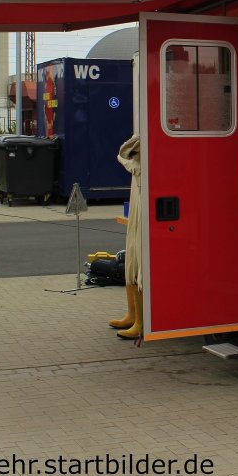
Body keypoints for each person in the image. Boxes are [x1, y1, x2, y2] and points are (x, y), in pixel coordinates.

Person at [110, 135, 143, 339]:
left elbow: (124, 150)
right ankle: (132, 315)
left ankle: (140, 320)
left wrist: (125, 156)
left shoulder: (144, 138)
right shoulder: (137, 162)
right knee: (131, 257)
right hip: (137, 198)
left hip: (144, 201)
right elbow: (125, 151)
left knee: (139, 258)